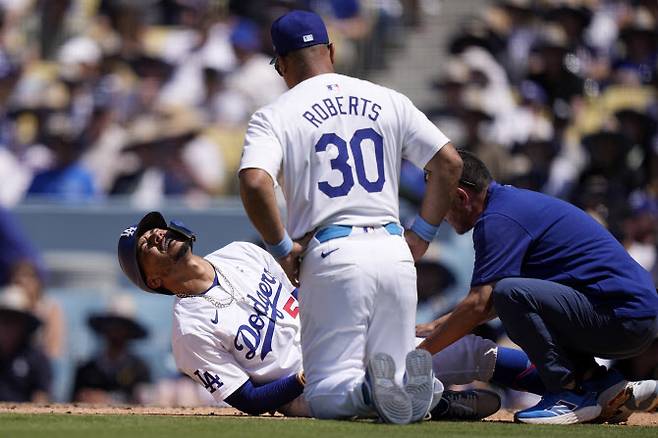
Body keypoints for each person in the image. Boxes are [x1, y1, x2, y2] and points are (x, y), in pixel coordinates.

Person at [238, 10, 462, 423]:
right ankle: (414, 389)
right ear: (332, 51)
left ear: (282, 64)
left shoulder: (275, 114)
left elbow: (254, 183)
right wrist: (423, 234)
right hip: (394, 248)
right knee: (399, 403)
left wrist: (282, 248)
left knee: (325, 392)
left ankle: (366, 390)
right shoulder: (388, 98)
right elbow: (449, 162)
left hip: (332, 252)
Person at [117, 211, 502, 419]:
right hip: (306, 387)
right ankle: (437, 403)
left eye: (156, 230)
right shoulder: (189, 331)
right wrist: (305, 376)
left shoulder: (241, 252)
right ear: (152, 279)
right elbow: (249, 400)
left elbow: (301, 295)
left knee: (472, 351)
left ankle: (560, 384)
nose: (156, 235)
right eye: (146, 245)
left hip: (339, 338)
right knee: (367, 386)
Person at [418, 149, 658, 424]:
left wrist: (420, 355)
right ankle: (598, 385)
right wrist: (440, 325)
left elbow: (482, 303)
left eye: (438, 202)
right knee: (512, 297)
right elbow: (489, 306)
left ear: (461, 197)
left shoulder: (498, 219)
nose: (436, 213)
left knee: (510, 293)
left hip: (621, 316)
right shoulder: (506, 205)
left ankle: (567, 393)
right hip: (626, 313)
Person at [72, 295, 152, 404]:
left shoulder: (140, 369)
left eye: (121, 326)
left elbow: (145, 402)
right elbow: (71, 402)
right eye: (112, 324)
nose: (115, 331)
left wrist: (108, 400)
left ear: (129, 331)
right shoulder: (86, 370)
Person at [0, 286, 51, 402]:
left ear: (24, 325)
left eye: (14, 321)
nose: (7, 327)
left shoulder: (36, 359)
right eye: (3, 320)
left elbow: (41, 398)